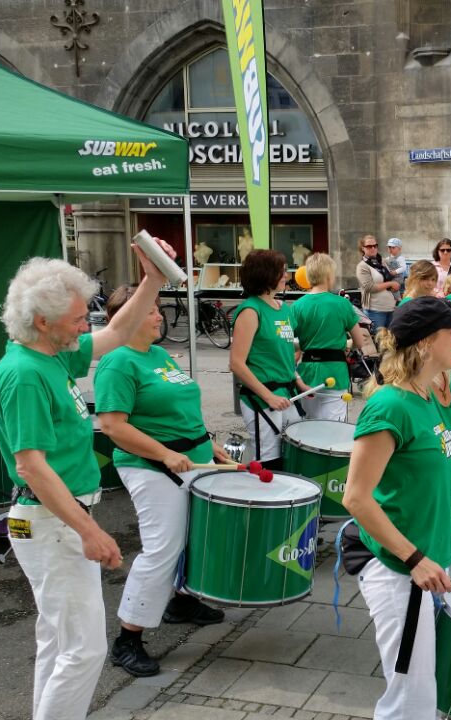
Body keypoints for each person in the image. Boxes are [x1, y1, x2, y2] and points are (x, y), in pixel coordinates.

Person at [0, 241, 168, 719]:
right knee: (84, 650)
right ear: (42, 322)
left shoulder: (51, 354)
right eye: (74, 318)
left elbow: (114, 332)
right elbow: (32, 466)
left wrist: (153, 281)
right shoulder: (26, 372)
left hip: (55, 519)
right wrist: (89, 530)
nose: (83, 324)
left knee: (58, 641)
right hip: (52, 522)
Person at [341, 297, 451, 720]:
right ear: (424, 343)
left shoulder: (437, 394)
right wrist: (415, 558)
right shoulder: (390, 407)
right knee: (411, 700)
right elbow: (356, 498)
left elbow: (422, 479)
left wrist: (450, 523)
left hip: (429, 555)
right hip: (396, 566)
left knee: (423, 688)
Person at [94, 286, 230, 678]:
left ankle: (181, 602)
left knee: (192, 538)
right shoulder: (118, 363)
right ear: (130, 318)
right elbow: (112, 426)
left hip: (193, 461)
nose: (160, 317)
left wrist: (210, 444)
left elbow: (182, 405)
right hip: (152, 467)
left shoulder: (156, 354)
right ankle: (128, 639)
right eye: (152, 311)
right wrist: (166, 455)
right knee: (161, 549)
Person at [230, 249, 311, 466]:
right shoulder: (250, 311)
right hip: (262, 397)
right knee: (269, 461)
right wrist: (268, 397)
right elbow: (236, 364)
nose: (287, 276)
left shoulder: (283, 308)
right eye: (281, 272)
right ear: (266, 275)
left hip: (286, 393)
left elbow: (283, 354)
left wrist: (298, 381)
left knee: (292, 455)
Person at [292, 253, 371, 421]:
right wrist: (349, 347)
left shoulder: (297, 306)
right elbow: (359, 340)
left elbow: (290, 343)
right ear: (328, 275)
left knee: (308, 425)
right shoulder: (342, 304)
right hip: (335, 372)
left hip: (307, 372)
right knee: (333, 427)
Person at [356, 234, 401, 332]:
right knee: (378, 343)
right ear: (363, 248)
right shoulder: (362, 266)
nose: (373, 248)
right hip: (374, 310)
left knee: (391, 342)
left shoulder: (382, 262)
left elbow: (391, 277)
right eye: (369, 246)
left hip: (390, 308)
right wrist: (390, 284)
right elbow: (369, 287)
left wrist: (394, 285)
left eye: (375, 245)